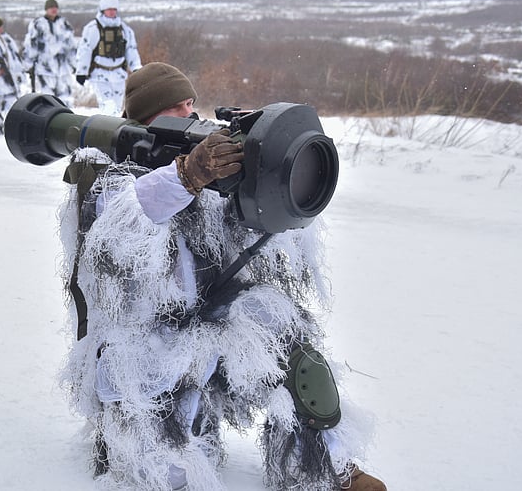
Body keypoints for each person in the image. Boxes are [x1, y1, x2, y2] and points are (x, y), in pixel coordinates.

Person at [56, 62, 387, 491]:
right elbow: (122, 230)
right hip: (142, 350)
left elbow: (253, 245)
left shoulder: (206, 166)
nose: (188, 112)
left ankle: (325, 465)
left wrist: (263, 178)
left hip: (208, 328)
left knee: (287, 337)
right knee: (168, 474)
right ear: (143, 118)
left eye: (190, 102)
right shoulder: (107, 174)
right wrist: (186, 176)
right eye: (173, 107)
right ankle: (135, 444)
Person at [74, 0, 142, 115]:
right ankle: (108, 129)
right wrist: (81, 72)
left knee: (117, 106)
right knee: (107, 106)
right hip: (100, 74)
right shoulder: (93, 28)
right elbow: (85, 50)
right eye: (109, 9)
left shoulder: (124, 29)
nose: (112, 12)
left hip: (119, 75)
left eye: (114, 9)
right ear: (103, 10)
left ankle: (115, 128)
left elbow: (131, 49)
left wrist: (136, 67)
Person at [22, 0, 76, 105]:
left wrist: (74, 64)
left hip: (63, 69)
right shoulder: (38, 24)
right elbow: (31, 46)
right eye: (51, 7)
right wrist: (28, 64)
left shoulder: (64, 24)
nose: (54, 10)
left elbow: (72, 47)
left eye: (55, 7)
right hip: (45, 68)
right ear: (46, 9)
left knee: (65, 98)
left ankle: (66, 120)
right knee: (48, 99)